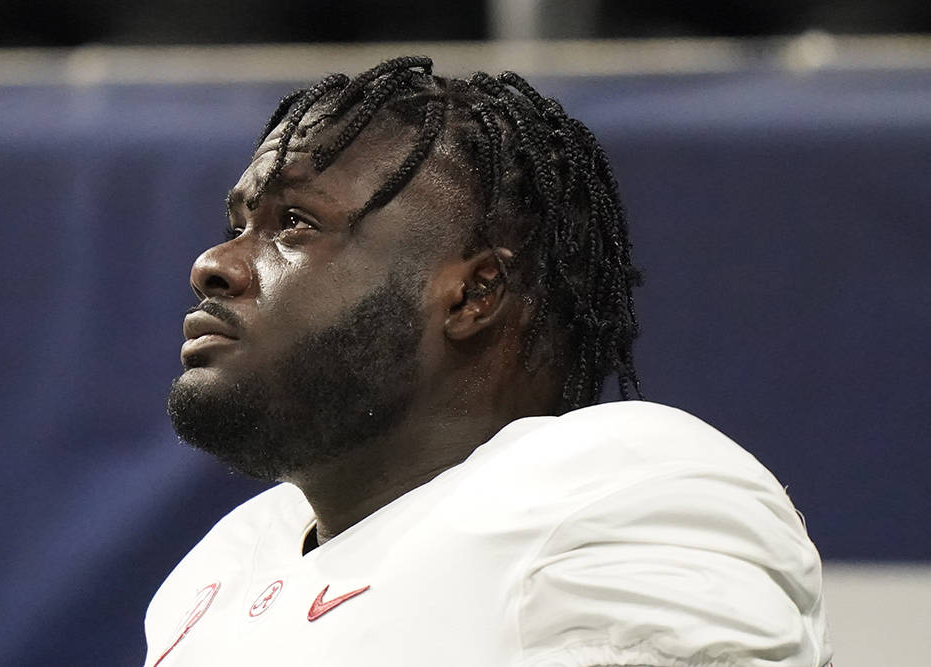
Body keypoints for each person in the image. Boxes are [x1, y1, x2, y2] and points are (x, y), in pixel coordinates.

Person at [147, 56, 832, 667]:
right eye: (238, 224)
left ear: (473, 294)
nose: (214, 264)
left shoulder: (610, 499)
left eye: (295, 222)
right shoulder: (220, 568)